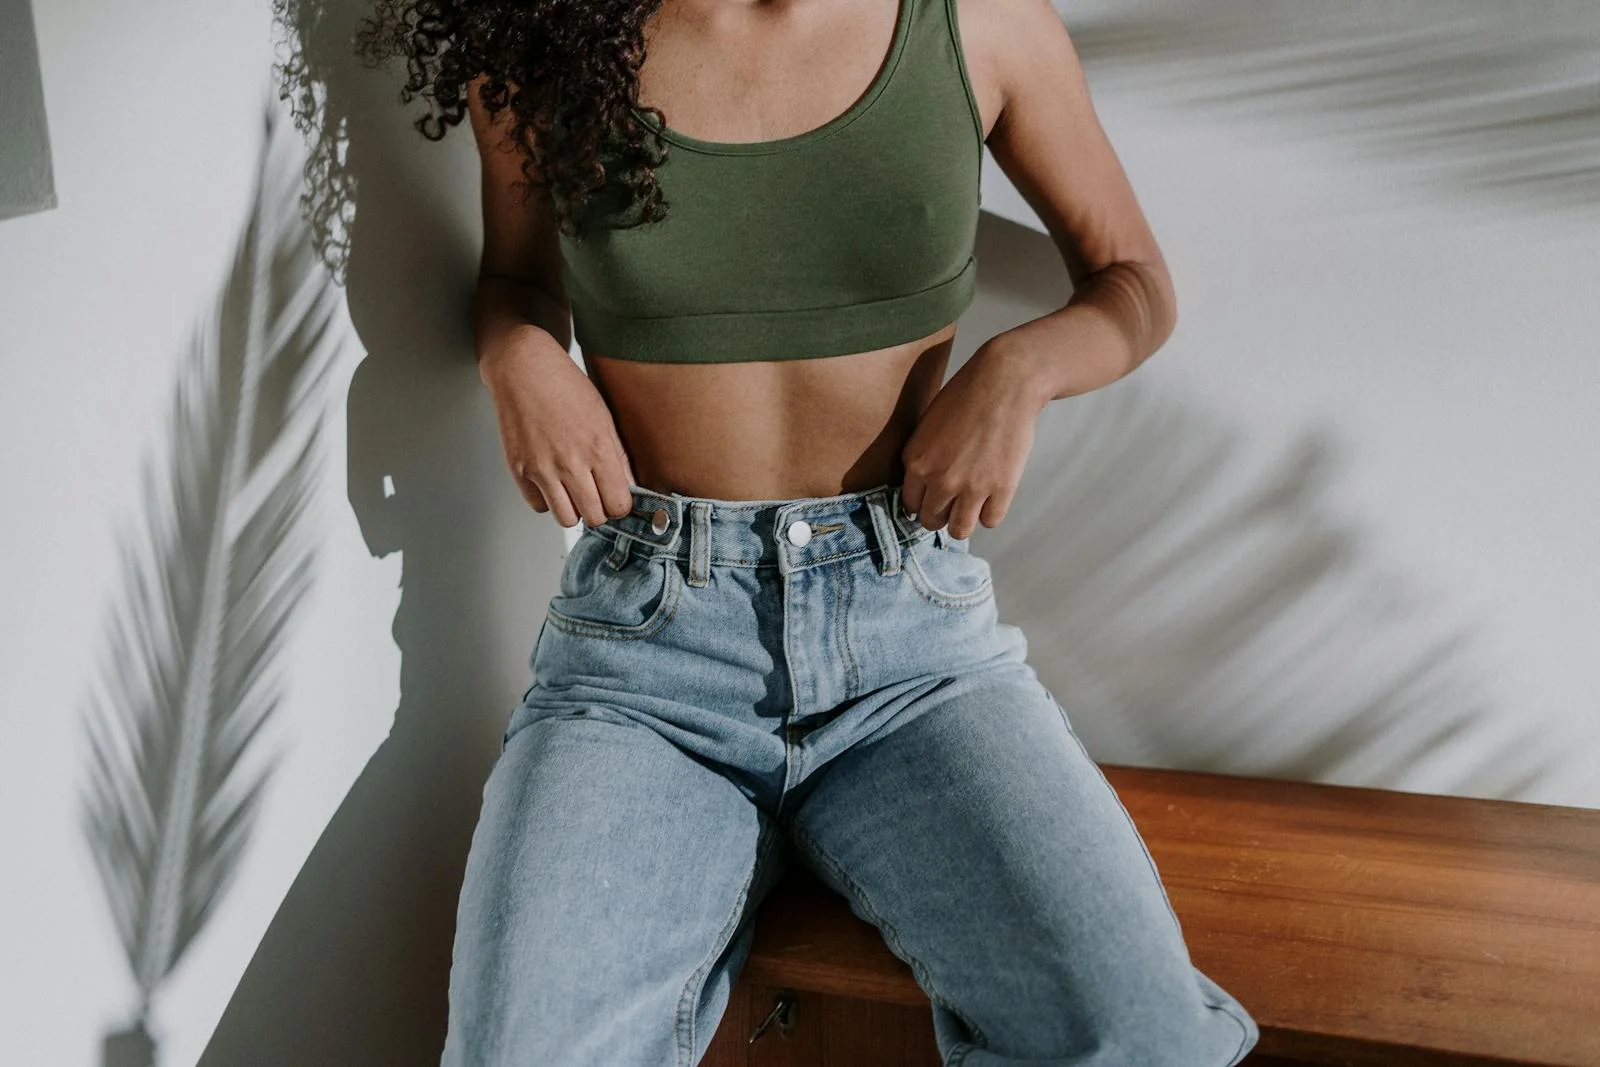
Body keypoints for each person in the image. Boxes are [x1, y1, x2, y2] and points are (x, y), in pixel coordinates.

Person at [358, 0, 1261, 1063]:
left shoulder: (982, 27)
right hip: (646, 666)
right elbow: (514, 279)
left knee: (1142, 1035)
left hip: (909, 657)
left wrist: (1020, 369)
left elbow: (1135, 282)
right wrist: (518, 356)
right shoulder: (547, 36)